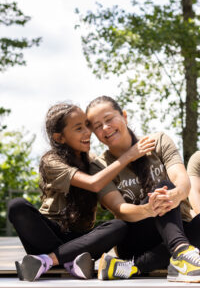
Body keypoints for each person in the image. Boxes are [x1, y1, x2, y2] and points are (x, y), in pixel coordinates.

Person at [8, 102, 155, 282]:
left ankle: (48, 261)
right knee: (17, 206)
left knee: (118, 226)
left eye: (87, 125)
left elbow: (106, 195)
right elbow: (94, 184)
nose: (88, 132)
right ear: (59, 138)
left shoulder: (94, 162)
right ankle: (71, 261)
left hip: (82, 238)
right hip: (50, 235)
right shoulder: (51, 161)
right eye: (79, 128)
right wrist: (129, 155)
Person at [86, 95, 200, 283]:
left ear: (124, 116)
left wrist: (175, 194)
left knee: (166, 189)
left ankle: (133, 267)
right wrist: (149, 209)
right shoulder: (99, 166)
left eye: (108, 119)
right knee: (163, 188)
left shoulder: (159, 141)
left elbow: (182, 180)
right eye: (97, 126)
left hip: (179, 226)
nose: (105, 128)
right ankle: (181, 253)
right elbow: (119, 208)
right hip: (136, 238)